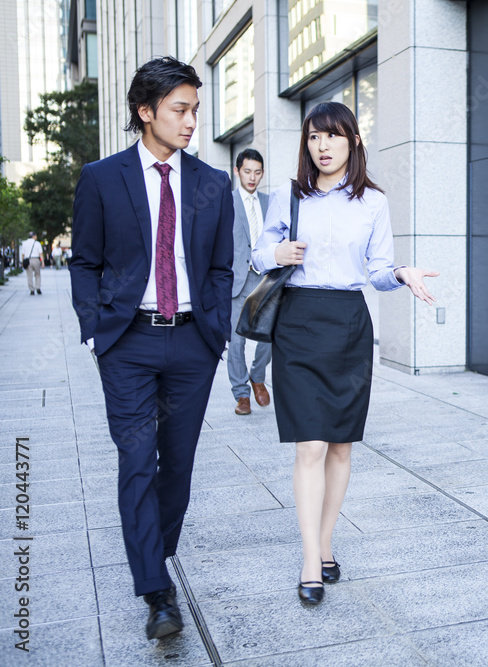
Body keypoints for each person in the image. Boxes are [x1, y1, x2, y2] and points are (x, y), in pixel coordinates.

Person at [69, 56, 234, 640]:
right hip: (128, 343)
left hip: (193, 342)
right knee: (137, 462)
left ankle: (151, 554)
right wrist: (95, 330)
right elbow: (84, 260)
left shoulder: (213, 184)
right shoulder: (101, 178)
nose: (191, 122)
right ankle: (156, 591)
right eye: (179, 110)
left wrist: (216, 330)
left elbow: (219, 266)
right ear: (146, 112)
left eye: (195, 110)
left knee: (178, 468)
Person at [252, 102, 438, 605]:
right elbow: (256, 253)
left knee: (340, 445)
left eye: (332, 136)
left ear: (353, 141)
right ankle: (311, 560)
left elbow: (377, 269)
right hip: (297, 321)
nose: (322, 146)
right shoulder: (289, 196)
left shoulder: (373, 202)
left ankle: (327, 541)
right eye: (314, 137)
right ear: (306, 144)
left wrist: (401, 274)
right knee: (309, 444)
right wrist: (276, 253)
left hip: (349, 325)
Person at [229, 148, 272, 415]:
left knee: (268, 335)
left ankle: (258, 376)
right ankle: (241, 394)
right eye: (247, 172)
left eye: (257, 172)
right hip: (237, 280)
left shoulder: (269, 202)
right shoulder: (226, 201)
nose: (252, 177)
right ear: (237, 171)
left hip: (265, 278)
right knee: (236, 341)